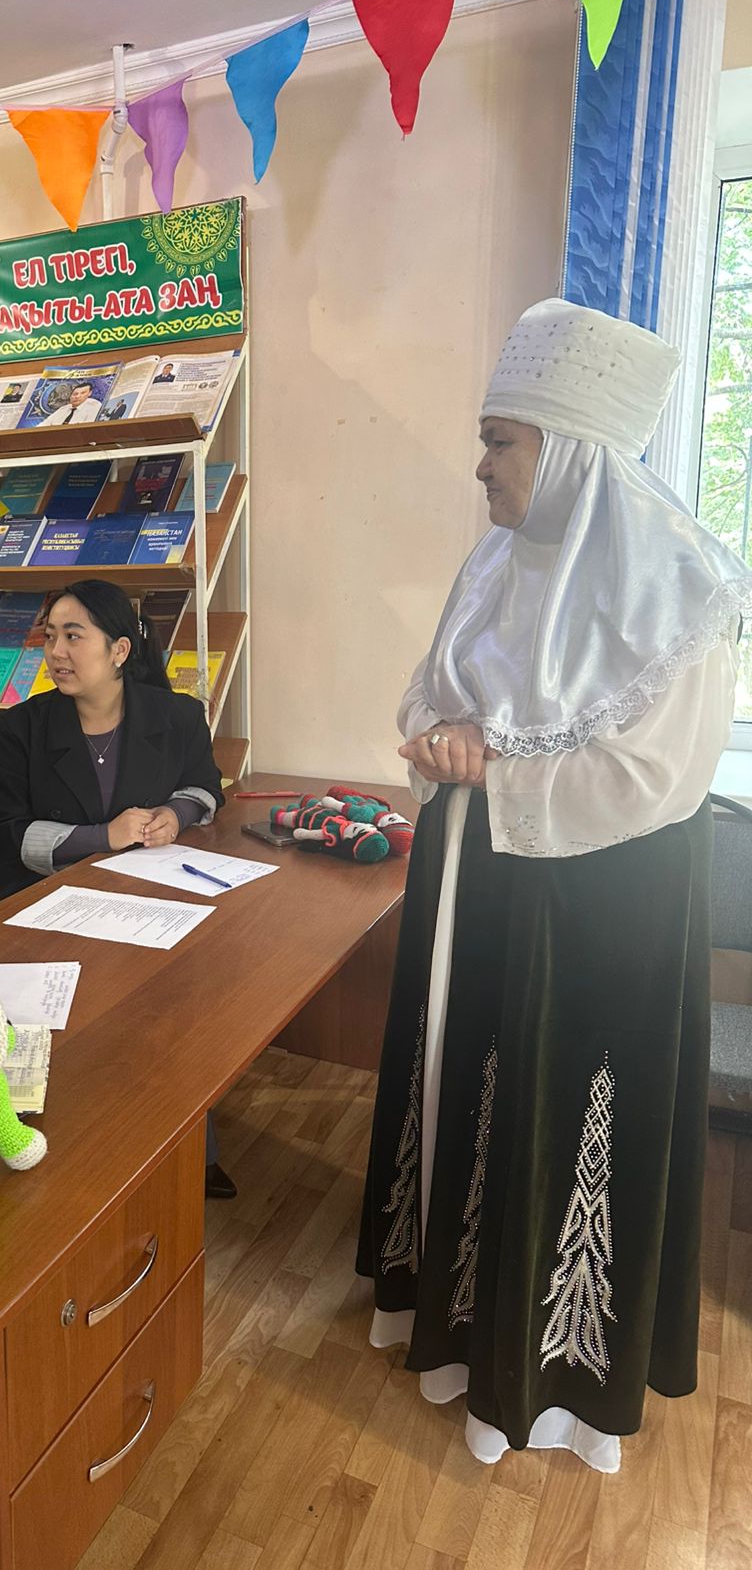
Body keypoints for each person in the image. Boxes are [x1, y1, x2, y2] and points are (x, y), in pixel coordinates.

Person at [355, 299, 752, 1474]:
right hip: (478, 888)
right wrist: (444, 740)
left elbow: (658, 776)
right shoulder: (495, 560)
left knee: (562, 1110)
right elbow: (431, 692)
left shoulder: (685, 585)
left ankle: (550, 1383)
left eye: (500, 441)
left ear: (569, 448)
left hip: (600, 912)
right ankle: (450, 1319)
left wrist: (495, 766)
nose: (481, 466)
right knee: (473, 1091)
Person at [0, 578, 235, 1198]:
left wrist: (176, 812)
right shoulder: (20, 728)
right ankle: (61, 1150)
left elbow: (206, 787)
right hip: (41, 905)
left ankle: (183, 1148)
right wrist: (101, 836)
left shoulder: (177, 715)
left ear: (119, 650)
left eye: (74, 636)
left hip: (142, 903)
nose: (57, 652)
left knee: (170, 1013)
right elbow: (7, 833)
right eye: (50, 637)